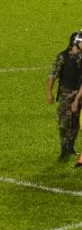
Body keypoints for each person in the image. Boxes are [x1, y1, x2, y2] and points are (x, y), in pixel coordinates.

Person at [46, 33, 82, 162]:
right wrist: (49, 92)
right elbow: (53, 75)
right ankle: (64, 149)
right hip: (66, 95)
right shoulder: (63, 57)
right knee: (64, 122)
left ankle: (71, 147)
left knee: (76, 122)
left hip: (80, 94)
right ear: (75, 43)